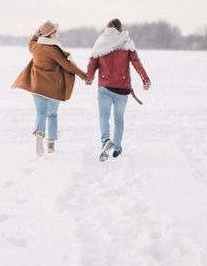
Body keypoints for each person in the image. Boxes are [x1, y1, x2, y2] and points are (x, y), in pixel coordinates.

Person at [12, 21, 87, 156]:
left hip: (37, 87)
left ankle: (39, 135)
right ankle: (51, 145)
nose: (57, 33)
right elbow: (68, 66)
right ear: (50, 34)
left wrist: (38, 31)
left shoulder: (34, 47)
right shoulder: (53, 50)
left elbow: (32, 39)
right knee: (52, 115)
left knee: (41, 114)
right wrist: (83, 75)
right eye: (55, 31)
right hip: (52, 89)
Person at [85, 19, 151, 160]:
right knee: (119, 119)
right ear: (120, 28)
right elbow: (136, 62)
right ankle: (117, 147)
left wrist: (89, 78)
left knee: (104, 116)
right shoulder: (126, 41)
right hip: (122, 88)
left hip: (104, 86)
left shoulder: (101, 41)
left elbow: (93, 61)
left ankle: (105, 140)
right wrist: (145, 78)